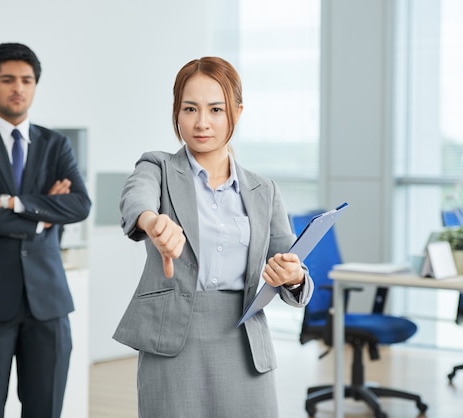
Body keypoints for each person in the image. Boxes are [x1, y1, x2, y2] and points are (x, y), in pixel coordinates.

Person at [112, 56, 314, 418]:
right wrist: (151, 221)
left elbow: (292, 265)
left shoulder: (263, 190)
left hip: (243, 339)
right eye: (190, 109)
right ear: (176, 112)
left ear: (237, 111)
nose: (202, 123)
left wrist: (295, 276)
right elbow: (135, 197)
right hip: (172, 339)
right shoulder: (157, 166)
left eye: (215, 109)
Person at [0, 43, 91, 418]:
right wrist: (44, 214)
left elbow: (79, 205)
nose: (18, 88)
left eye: (27, 80)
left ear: (35, 86)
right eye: (7, 79)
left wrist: (13, 203)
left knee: (45, 409)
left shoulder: (56, 143)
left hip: (48, 301)